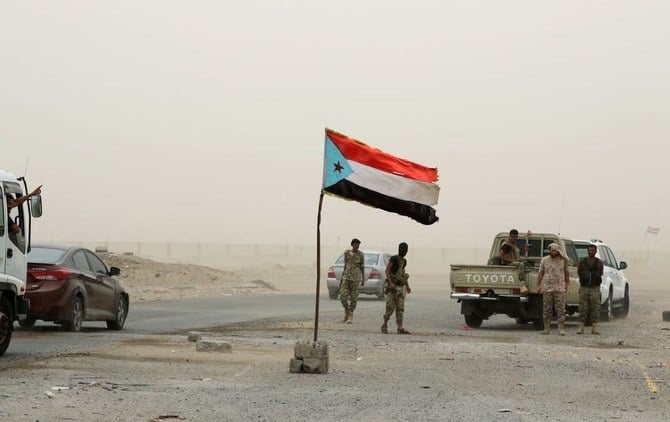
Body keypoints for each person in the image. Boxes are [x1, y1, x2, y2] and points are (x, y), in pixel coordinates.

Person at [536, 243, 570, 335]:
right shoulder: (544, 260)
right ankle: (546, 329)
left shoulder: (563, 260)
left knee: (561, 310)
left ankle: (561, 329)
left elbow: (567, 273)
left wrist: (567, 284)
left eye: (555, 250)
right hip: (547, 288)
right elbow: (540, 273)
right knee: (547, 309)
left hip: (559, 288)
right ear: (549, 250)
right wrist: (538, 285)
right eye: (552, 250)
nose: (553, 252)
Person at [381, 242, 412, 334]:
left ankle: (400, 327)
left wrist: (407, 286)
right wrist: (390, 283)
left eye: (405, 250)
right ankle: (384, 324)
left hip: (400, 287)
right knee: (390, 307)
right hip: (393, 287)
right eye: (402, 249)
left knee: (400, 308)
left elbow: (402, 274)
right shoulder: (394, 258)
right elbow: (387, 271)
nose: (403, 251)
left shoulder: (404, 261)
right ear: (399, 249)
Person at [577, 244, 604, 335]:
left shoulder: (599, 262)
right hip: (584, 287)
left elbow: (600, 273)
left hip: (594, 288)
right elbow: (579, 272)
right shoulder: (583, 261)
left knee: (595, 308)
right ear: (587, 251)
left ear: (595, 252)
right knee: (582, 308)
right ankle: (580, 328)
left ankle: (594, 328)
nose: (591, 252)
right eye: (589, 250)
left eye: (593, 250)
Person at [339, 238, 364, 324]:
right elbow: (345, 265)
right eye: (355, 244)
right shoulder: (346, 253)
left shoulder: (361, 254)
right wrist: (342, 277)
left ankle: (350, 315)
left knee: (354, 297)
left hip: (356, 278)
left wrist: (363, 279)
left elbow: (362, 267)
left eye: (358, 244)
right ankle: (346, 310)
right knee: (342, 296)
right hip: (346, 277)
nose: (357, 246)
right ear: (352, 244)